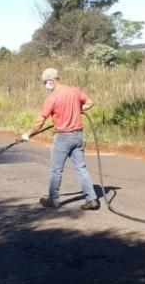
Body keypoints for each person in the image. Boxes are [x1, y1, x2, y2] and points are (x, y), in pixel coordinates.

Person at [21, 68, 100, 211]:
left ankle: (53, 200)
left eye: (45, 82)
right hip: (78, 136)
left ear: (51, 81)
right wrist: (77, 109)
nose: (45, 85)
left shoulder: (52, 98)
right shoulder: (74, 91)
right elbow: (89, 103)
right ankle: (92, 199)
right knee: (81, 169)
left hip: (63, 138)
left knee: (56, 170)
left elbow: (40, 121)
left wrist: (28, 134)